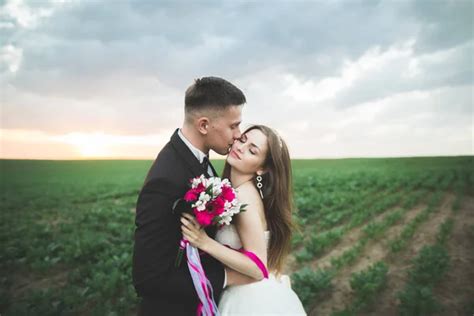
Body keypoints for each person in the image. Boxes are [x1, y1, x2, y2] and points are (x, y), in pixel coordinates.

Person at [132, 76, 256, 316]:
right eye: (233, 126)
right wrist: (228, 276)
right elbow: (147, 278)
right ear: (203, 125)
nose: (238, 135)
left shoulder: (198, 159)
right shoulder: (165, 180)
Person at [181, 125, 307, 315]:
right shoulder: (238, 192)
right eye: (242, 140)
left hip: (250, 301)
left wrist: (204, 242)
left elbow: (258, 267)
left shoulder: (243, 198)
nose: (240, 147)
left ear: (262, 168)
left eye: (252, 150)